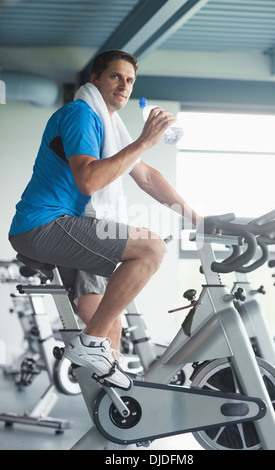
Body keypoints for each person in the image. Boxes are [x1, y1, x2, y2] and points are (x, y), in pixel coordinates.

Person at [9, 49, 203, 390]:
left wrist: (196, 218)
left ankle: (113, 407)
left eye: (129, 80)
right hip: (44, 225)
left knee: (110, 322)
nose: (123, 85)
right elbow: (89, 180)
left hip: (66, 225)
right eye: (115, 76)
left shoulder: (110, 126)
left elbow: (143, 175)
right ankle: (89, 344)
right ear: (94, 79)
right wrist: (144, 141)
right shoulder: (81, 115)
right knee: (151, 249)